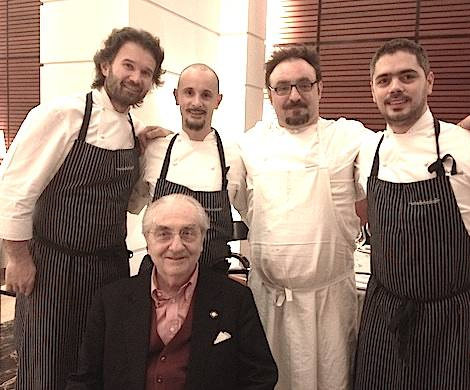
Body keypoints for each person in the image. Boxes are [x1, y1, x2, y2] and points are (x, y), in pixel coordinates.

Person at [238, 44, 470, 390]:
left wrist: (459, 131)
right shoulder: (246, 145)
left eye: (304, 84)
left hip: (329, 302)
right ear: (270, 94)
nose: (294, 95)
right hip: (268, 301)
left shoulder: (352, 138)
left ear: (320, 88)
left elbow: (407, 142)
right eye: (283, 87)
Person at [0, 27, 165, 389]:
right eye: (128, 65)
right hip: (54, 268)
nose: (136, 78)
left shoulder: (130, 127)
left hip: (109, 269)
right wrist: (17, 256)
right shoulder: (63, 114)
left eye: (147, 72)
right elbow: (14, 188)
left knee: (98, 365)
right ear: (105, 65)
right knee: (48, 365)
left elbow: (130, 203)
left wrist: (146, 156)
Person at [353, 38, 470, 389]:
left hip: (455, 318)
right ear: (373, 90)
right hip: (385, 316)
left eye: (407, 77)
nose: (395, 87)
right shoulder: (366, 150)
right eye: (384, 80)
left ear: (430, 81)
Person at [66, 194, 278, 390]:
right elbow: (85, 381)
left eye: (188, 233)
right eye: (163, 234)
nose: (176, 246)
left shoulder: (235, 299)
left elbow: (260, 377)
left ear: (202, 239)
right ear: (147, 240)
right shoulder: (111, 301)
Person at [129, 63, 246, 273]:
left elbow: (252, 214)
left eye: (206, 95)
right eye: (189, 93)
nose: (196, 103)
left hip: (213, 281)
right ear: (176, 97)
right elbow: (132, 205)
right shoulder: (156, 149)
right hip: (158, 279)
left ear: (218, 101)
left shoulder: (234, 156)